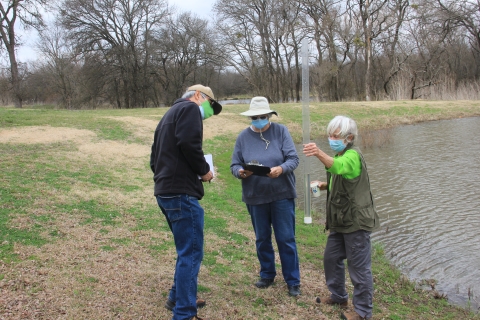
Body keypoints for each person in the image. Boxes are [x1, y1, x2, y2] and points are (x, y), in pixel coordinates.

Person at [150, 84, 222, 320]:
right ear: (199, 96)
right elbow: (190, 144)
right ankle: (184, 313)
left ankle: (178, 297)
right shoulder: (190, 109)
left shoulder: (168, 116)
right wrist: (204, 171)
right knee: (191, 253)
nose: (210, 113)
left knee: (185, 251)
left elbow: (154, 157)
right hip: (181, 193)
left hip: (165, 191)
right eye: (211, 105)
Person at [302, 115, 380, 320]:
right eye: (329, 135)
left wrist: (318, 152)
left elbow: (340, 168)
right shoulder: (339, 154)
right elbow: (341, 176)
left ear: (349, 137)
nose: (331, 138)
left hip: (356, 222)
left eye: (335, 135)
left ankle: (363, 311)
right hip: (340, 221)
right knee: (331, 258)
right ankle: (339, 296)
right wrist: (324, 185)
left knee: (359, 268)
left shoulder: (352, 156)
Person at [230, 96, 301, 297]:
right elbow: (234, 165)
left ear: (269, 115)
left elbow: (293, 159)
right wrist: (241, 173)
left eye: (263, 116)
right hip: (255, 196)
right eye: (255, 117)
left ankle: (293, 281)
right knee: (262, 239)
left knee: (286, 238)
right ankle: (267, 274)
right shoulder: (243, 137)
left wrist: (281, 168)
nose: (259, 120)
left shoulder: (281, 131)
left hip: (282, 194)